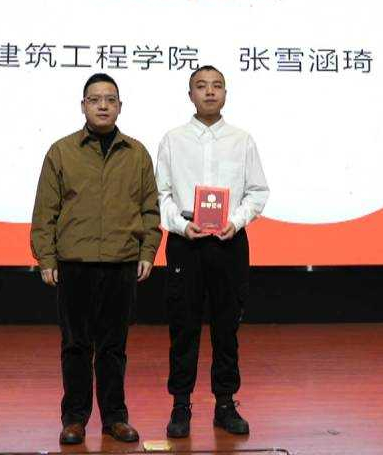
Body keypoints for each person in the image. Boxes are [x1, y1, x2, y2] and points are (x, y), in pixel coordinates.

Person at [31, 73, 161, 446]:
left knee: (113, 347)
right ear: (83, 106)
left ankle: (115, 419)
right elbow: (45, 211)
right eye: (95, 99)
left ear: (120, 106)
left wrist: (148, 250)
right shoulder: (61, 151)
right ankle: (74, 419)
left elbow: (149, 209)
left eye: (110, 99)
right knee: (75, 346)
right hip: (74, 263)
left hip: (121, 262)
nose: (103, 105)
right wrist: (46, 257)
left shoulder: (136, 153)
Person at [155, 65, 270, 438]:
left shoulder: (242, 140)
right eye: (201, 86)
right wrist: (179, 224)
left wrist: (235, 221)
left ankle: (225, 404)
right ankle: (180, 405)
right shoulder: (173, 139)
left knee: (226, 328)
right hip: (186, 241)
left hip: (228, 241)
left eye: (217, 86)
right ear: (189, 94)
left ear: (225, 94)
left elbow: (257, 191)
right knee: (183, 327)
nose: (209, 92)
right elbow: (161, 194)